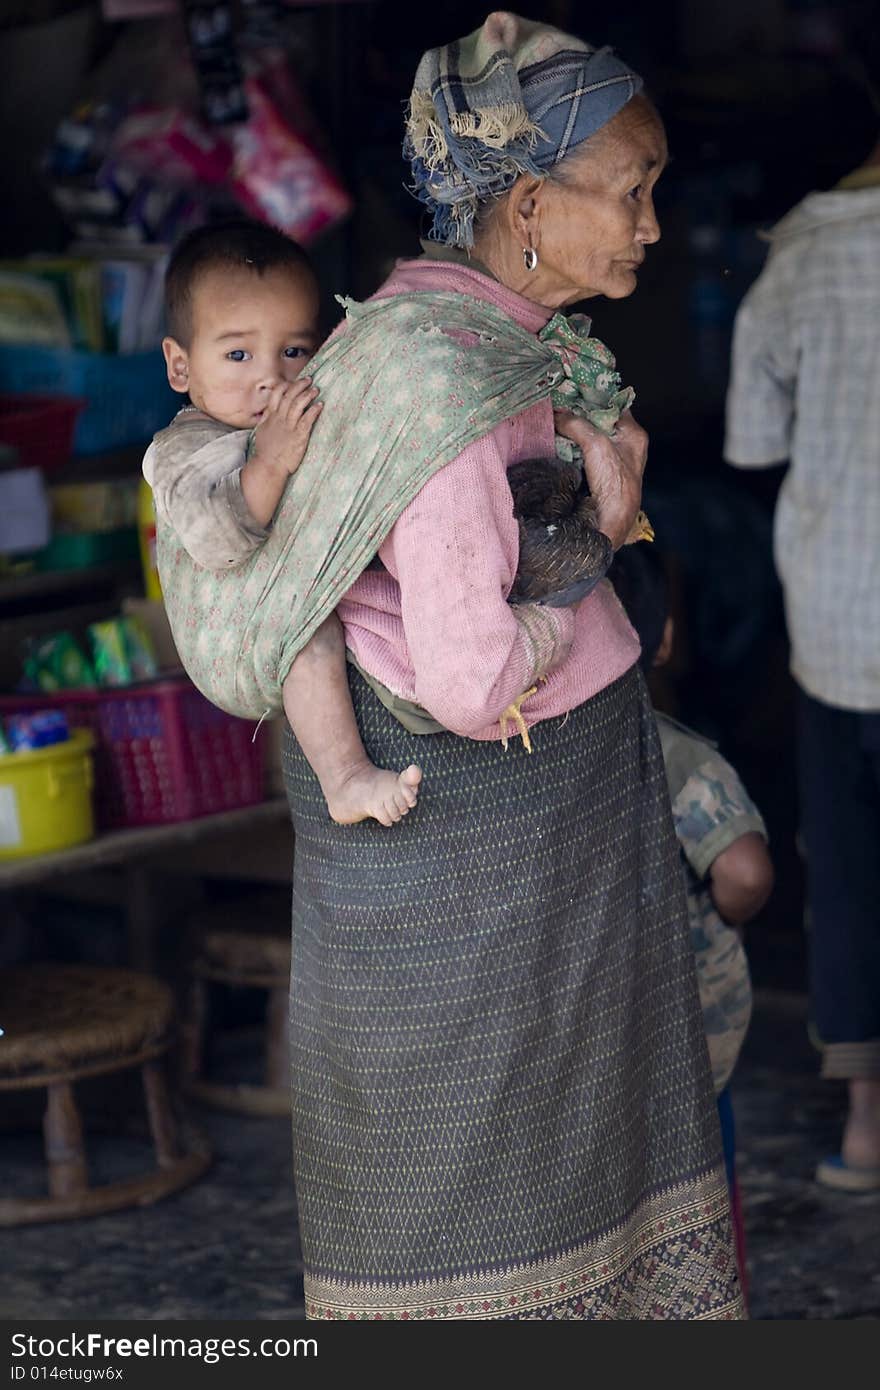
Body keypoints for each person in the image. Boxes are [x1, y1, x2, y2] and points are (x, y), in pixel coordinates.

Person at [159, 11, 744, 1319]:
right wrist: (598, 543)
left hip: (536, 913)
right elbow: (477, 683)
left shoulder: (482, 333)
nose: (656, 220)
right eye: (635, 190)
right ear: (530, 202)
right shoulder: (445, 394)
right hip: (482, 907)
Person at [724, 45, 880, 1191]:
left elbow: (752, 449)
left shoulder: (783, 277)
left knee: (849, 867)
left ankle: (868, 1128)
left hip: (837, 628)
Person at [143, 221, 422, 828]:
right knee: (310, 639)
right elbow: (215, 538)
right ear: (180, 366)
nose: (271, 377)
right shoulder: (181, 450)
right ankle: (344, 778)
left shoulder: (297, 414)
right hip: (242, 630)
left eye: (294, 351)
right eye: (238, 354)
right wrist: (269, 460)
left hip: (298, 594)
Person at [610, 544, 774, 1290]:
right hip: (688, 1051)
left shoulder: (537, 766)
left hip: (590, 1064)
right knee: (704, 1203)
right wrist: (726, 909)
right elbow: (743, 870)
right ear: (666, 638)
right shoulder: (677, 756)